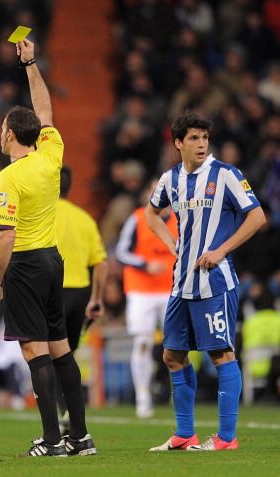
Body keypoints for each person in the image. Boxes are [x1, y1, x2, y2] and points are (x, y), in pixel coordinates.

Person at [0, 39, 97, 458]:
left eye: (1, 129)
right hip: (53, 261)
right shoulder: (51, 154)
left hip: (26, 264)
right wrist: (30, 63)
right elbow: (44, 110)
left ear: (9, 134)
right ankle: (80, 437)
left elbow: (5, 236)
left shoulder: (9, 179)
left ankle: (51, 440)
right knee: (61, 348)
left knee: (34, 350)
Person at [146, 110, 266, 452]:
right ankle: (185, 434)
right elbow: (152, 213)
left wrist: (221, 249)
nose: (201, 144)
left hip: (215, 282)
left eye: (205, 138)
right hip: (181, 284)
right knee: (171, 355)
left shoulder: (226, 175)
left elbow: (257, 216)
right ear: (178, 143)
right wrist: (172, 244)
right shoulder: (171, 179)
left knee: (221, 355)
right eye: (194, 138)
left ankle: (227, 438)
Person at [115, 179, 177, 418]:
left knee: (177, 344)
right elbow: (121, 251)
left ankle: (177, 393)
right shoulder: (138, 218)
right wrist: (144, 264)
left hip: (171, 290)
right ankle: (143, 396)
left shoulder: (180, 220)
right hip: (141, 291)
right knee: (142, 342)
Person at [54, 166, 107, 428]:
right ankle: (69, 413)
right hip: (81, 293)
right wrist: (96, 298)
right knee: (68, 354)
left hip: (52, 292)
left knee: (51, 355)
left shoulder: (41, 215)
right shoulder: (84, 218)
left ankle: (62, 411)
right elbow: (100, 262)